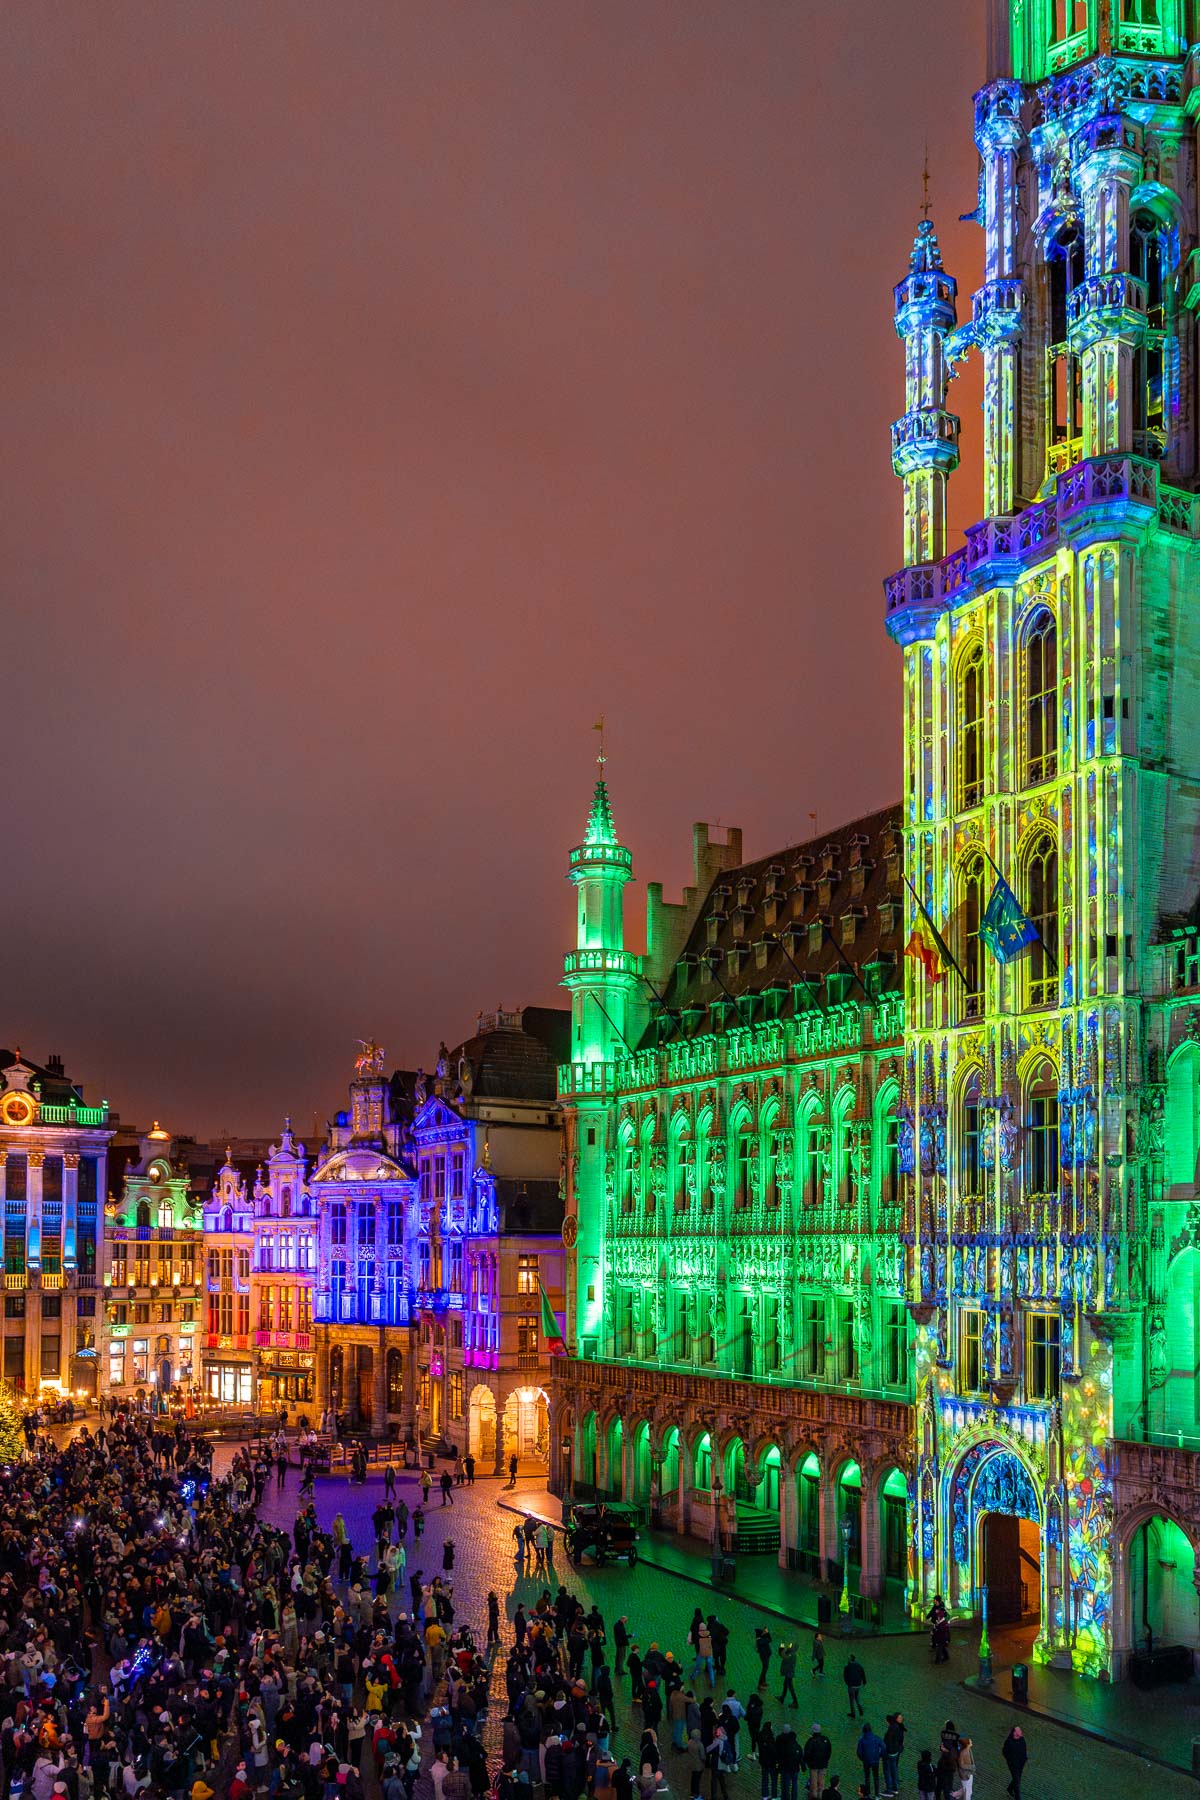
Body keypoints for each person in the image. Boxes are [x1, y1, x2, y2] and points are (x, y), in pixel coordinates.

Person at [803, 1725, 832, 1800]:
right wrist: (826, 1761)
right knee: (821, 1784)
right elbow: (829, 1752)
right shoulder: (825, 1740)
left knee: (813, 1784)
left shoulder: (811, 1741)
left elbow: (807, 1753)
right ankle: (820, 1797)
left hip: (813, 1766)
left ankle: (814, 1798)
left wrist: (807, 1763)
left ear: (813, 1731)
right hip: (823, 1765)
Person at [856, 1724, 884, 1800]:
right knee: (876, 1777)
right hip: (875, 1761)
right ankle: (877, 1795)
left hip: (866, 1761)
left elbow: (859, 1752)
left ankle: (868, 1794)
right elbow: (883, 1747)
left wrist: (863, 1759)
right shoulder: (876, 1738)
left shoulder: (862, 1740)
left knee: (867, 1778)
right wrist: (879, 1755)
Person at [882, 1713, 905, 1798]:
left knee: (887, 1771)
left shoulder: (889, 1732)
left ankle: (889, 1789)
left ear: (888, 1722)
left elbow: (886, 1743)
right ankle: (895, 1788)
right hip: (895, 1752)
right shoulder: (897, 1727)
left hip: (890, 1753)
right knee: (894, 1769)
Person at [1001, 1727, 1027, 1800]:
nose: (1021, 1731)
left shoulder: (1022, 1739)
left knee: (1017, 1778)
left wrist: (1025, 1759)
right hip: (1013, 1764)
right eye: (1019, 1730)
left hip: (1021, 1763)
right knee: (1017, 1781)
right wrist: (1010, 1760)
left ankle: (1010, 1788)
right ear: (1015, 1732)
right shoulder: (1009, 1742)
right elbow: (1004, 1752)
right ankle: (1017, 1798)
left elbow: (1024, 1750)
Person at [843, 1654, 866, 1719]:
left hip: (851, 1686)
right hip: (858, 1685)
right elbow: (863, 1673)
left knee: (851, 1700)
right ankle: (860, 1711)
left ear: (850, 1660)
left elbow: (845, 1676)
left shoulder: (847, 1667)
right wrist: (864, 1681)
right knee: (857, 1698)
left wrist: (848, 1683)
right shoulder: (859, 1665)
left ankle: (853, 1714)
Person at [777, 1641, 798, 1707]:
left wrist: (782, 1647)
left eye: (790, 1646)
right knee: (785, 1685)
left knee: (790, 1687)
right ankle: (782, 1697)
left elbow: (784, 1656)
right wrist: (782, 1647)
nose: (789, 1646)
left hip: (789, 1674)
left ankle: (795, 1702)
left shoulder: (791, 1655)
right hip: (788, 1673)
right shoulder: (790, 1653)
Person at [955, 1735, 975, 1800]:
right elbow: (961, 1765)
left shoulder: (969, 1749)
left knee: (968, 1791)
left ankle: (955, 1795)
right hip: (965, 1774)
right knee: (967, 1793)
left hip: (969, 1773)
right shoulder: (963, 1752)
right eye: (970, 1741)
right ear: (967, 1744)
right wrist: (971, 1767)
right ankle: (955, 1795)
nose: (971, 1742)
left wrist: (972, 1768)